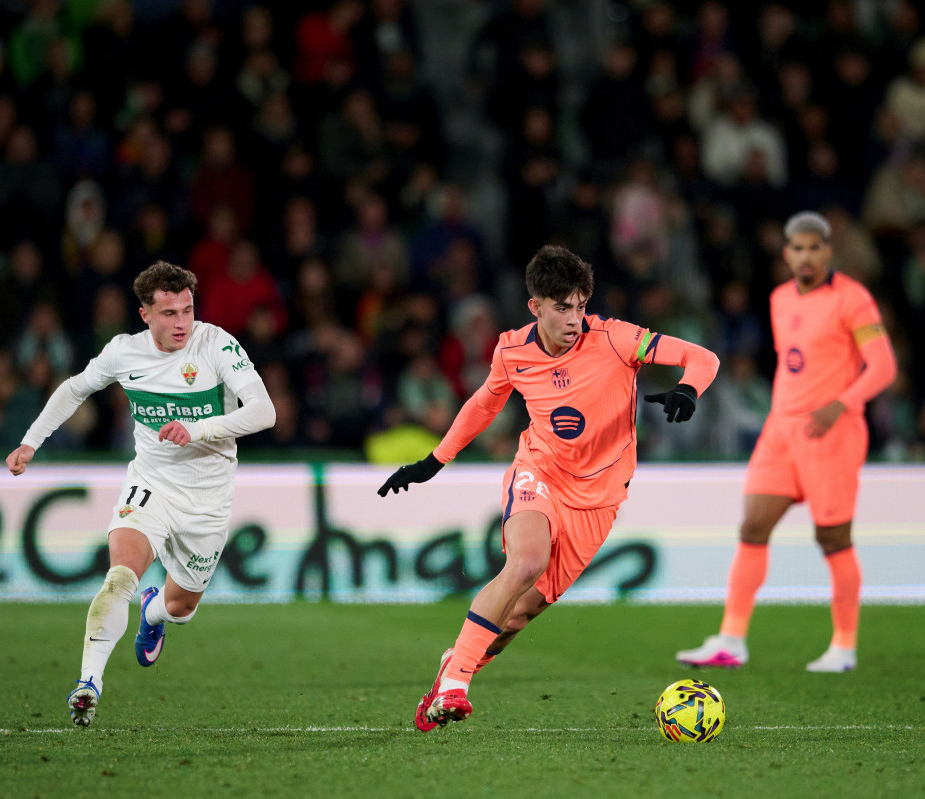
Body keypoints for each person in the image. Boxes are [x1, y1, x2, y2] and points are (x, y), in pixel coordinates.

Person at [378, 245, 720, 730]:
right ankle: (457, 685)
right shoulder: (511, 350)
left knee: (514, 620)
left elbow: (700, 356)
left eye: (581, 305)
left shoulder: (617, 339)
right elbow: (484, 403)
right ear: (535, 306)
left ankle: (453, 667)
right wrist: (435, 460)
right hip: (539, 473)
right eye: (562, 307)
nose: (575, 318)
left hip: (599, 498)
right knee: (526, 560)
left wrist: (689, 388)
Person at [5, 261, 276, 726]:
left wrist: (198, 429)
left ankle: (152, 612)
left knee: (181, 607)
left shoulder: (216, 344)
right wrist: (31, 441)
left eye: (187, 310)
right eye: (169, 313)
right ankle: (88, 683)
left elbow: (264, 412)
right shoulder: (122, 353)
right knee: (118, 578)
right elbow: (74, 390)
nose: (181, 323)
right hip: (150, 484)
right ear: (144, 314)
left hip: (208, 498)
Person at [675, 212, 897, 673]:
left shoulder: (852, 299)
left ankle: (844, 646)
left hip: (831, 431)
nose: (806, 256)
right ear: (786, 253)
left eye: (815, 247)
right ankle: (731, 640)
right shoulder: (779, 298)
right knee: (753, 527)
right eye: (797, 248)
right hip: (782, 432)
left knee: (832, 536)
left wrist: (842, 402)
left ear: (828, 250)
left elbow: (883, 367)